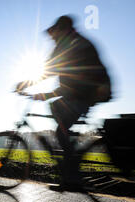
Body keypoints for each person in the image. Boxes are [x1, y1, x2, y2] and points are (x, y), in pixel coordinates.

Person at [16, 15, 112, 190]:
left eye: (54, 33)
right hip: (88, 91)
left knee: (60, 131)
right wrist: (44, 94)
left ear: (62, 30)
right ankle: (70, 156)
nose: (52, 37)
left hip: (86, 92)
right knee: (58, 113)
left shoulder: (69, 44)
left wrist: (25, 85)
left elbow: (49, 70)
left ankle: (72, 177)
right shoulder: (76, 42)